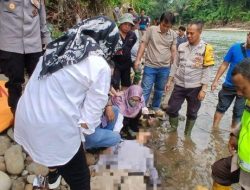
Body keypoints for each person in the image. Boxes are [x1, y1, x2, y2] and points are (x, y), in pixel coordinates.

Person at [14, 16, 120, 190]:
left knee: (54, 151)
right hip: (53, 129)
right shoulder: (99, 65)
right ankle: (57, 166)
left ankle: (53, 171)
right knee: (81, 179)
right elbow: (89, 118)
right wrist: (82, 136)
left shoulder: (58, 45)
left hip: (26, 117)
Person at [0, 0, 51, 114]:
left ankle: (35, 115)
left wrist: (46, 40)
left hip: (34, 44)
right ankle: (16, 116)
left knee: (38, 80)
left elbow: (42, 19)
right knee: (15, 82)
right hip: (10, 44)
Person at [165, 21, 215, 136]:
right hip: (180, 85)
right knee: (172, 108)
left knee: (192, 112)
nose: (188, 36)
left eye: (192, 33)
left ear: (200, 32)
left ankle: (187, 133)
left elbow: (207, 71)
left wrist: (204, 89)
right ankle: (173, 127)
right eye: (188, 33)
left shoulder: (207, 48)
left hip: (195, 87)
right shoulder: (181, 46)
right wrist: (169, 80)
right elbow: (175, 65)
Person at [211, 59, 250, 190]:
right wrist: (234, 135)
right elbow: (244, 122)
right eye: (237, 89)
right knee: (219, 170)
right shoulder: (248, 102)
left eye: (242, 88)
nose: (239, 93)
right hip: (242, 159)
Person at [134, 12, 177, 117]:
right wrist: (138, 59)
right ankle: (141, 108)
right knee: (146, 89)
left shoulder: (173, 34)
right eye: (164, 25)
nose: (166, 28)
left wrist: (174, 65)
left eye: (168, 26)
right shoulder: (151, 30)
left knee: (159, 90)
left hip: (165, 68)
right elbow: (143, 44)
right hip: (150, 66)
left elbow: (173, 50)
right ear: (160, 22)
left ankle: (155, 107)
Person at [211, 32, 250, 129]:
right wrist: (216, 80)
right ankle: (214, 130)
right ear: (247, 36)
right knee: (221, 108)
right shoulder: (235, 48)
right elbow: (225, 64)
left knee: (238, 113)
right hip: (229, 84)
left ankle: (233, 135)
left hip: (245, 89)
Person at [112, 13, 137, 90]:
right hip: (115, 64)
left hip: (127, 64)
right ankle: (114, 101)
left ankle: (123, 101)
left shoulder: (132, 35)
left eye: (129, 25)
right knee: (114, 85)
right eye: (125, 24)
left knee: (126, 85)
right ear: (121, 23)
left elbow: (131, 47)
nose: (127, 26)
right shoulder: (114, 34)